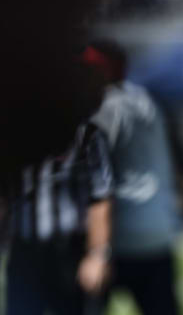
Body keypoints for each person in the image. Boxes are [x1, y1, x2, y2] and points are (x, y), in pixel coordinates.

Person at [84, 40, 181, 315]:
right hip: (158, 226)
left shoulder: (103, 107)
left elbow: (96, 177)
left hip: (117, 234)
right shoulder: (149, 99)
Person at [2, 120, 113, 315]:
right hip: (24, 248)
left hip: (68, 250)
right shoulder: (12, 130)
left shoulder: (83, 131)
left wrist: (97, 254)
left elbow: (100, 195)